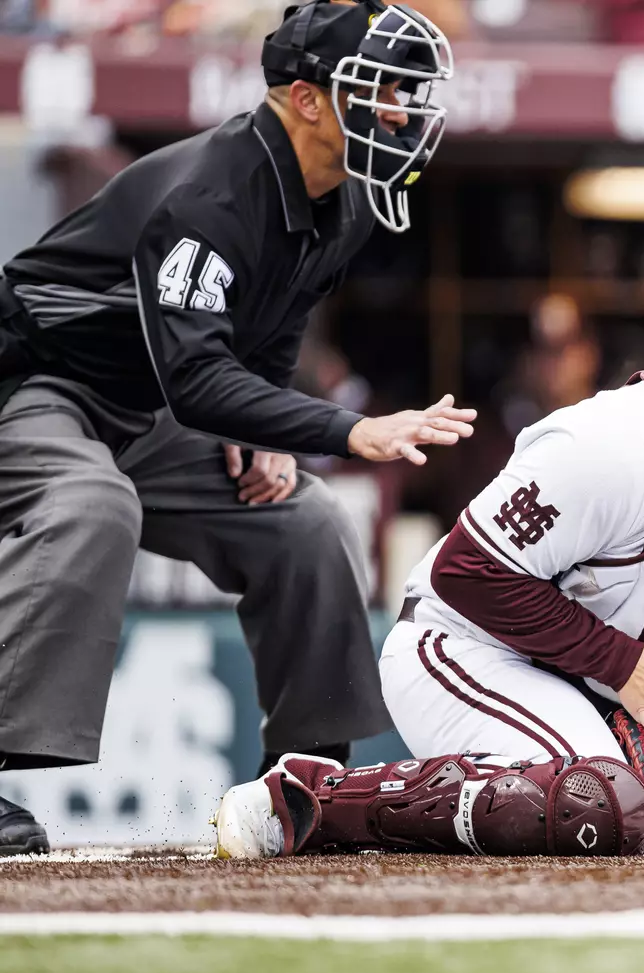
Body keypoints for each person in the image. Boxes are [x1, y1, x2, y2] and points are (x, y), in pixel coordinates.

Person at [209, 234, 644, 859]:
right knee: (598, 806)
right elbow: (464, 576)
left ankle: (592, 770)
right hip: (466, 648)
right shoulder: (619, 441)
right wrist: (623, 672)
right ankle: (315, 800)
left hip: (608, 678)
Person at [0, 0, 477, 857]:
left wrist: (269, 420)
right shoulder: (207, 194)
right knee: (93, 505)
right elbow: (194, 380)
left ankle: (307, 778)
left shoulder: (347, 198)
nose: (402, 112)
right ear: (303, 100)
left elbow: (266, 327)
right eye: (380, 91)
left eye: (408, 93)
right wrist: (345, 428)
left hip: (136, 405)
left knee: (305, 519)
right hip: (32, 386)